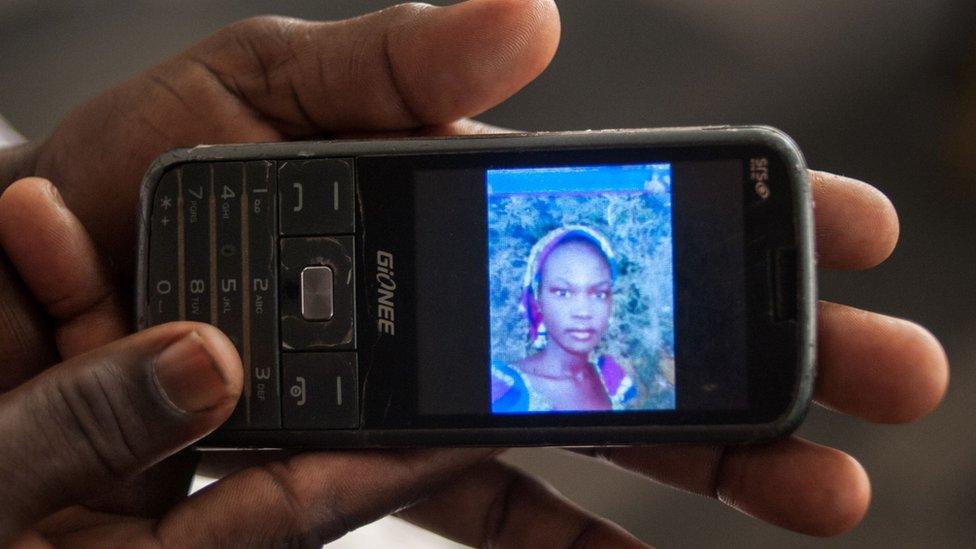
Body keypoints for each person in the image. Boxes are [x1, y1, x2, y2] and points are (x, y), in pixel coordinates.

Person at [0, 0, 949, 545]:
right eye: (565, 287)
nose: (584, 308)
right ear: (534, 294)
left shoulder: (620, 386)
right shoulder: (502, 383)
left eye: (601, 289)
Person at [492, 225, 640, 412]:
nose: (583, 312)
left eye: (599, 294)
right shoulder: (504, 390)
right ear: (537, 300)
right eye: (563, 293)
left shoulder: (611, 378)